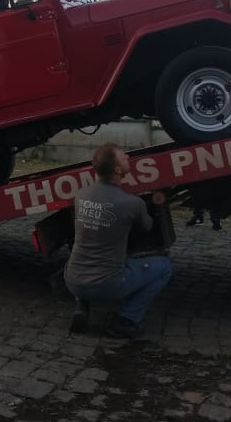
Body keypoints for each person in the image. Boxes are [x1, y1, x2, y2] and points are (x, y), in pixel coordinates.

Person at [63, 143, 173, 338]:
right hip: (105, 286)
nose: (129, 158)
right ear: (117, 169)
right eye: (124, 158)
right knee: (164, 266)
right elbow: (146, 227)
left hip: (72, 280)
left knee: (90, 259)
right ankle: (125, 320)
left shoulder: (80, 195)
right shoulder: (132, 203)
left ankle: (81, 307)